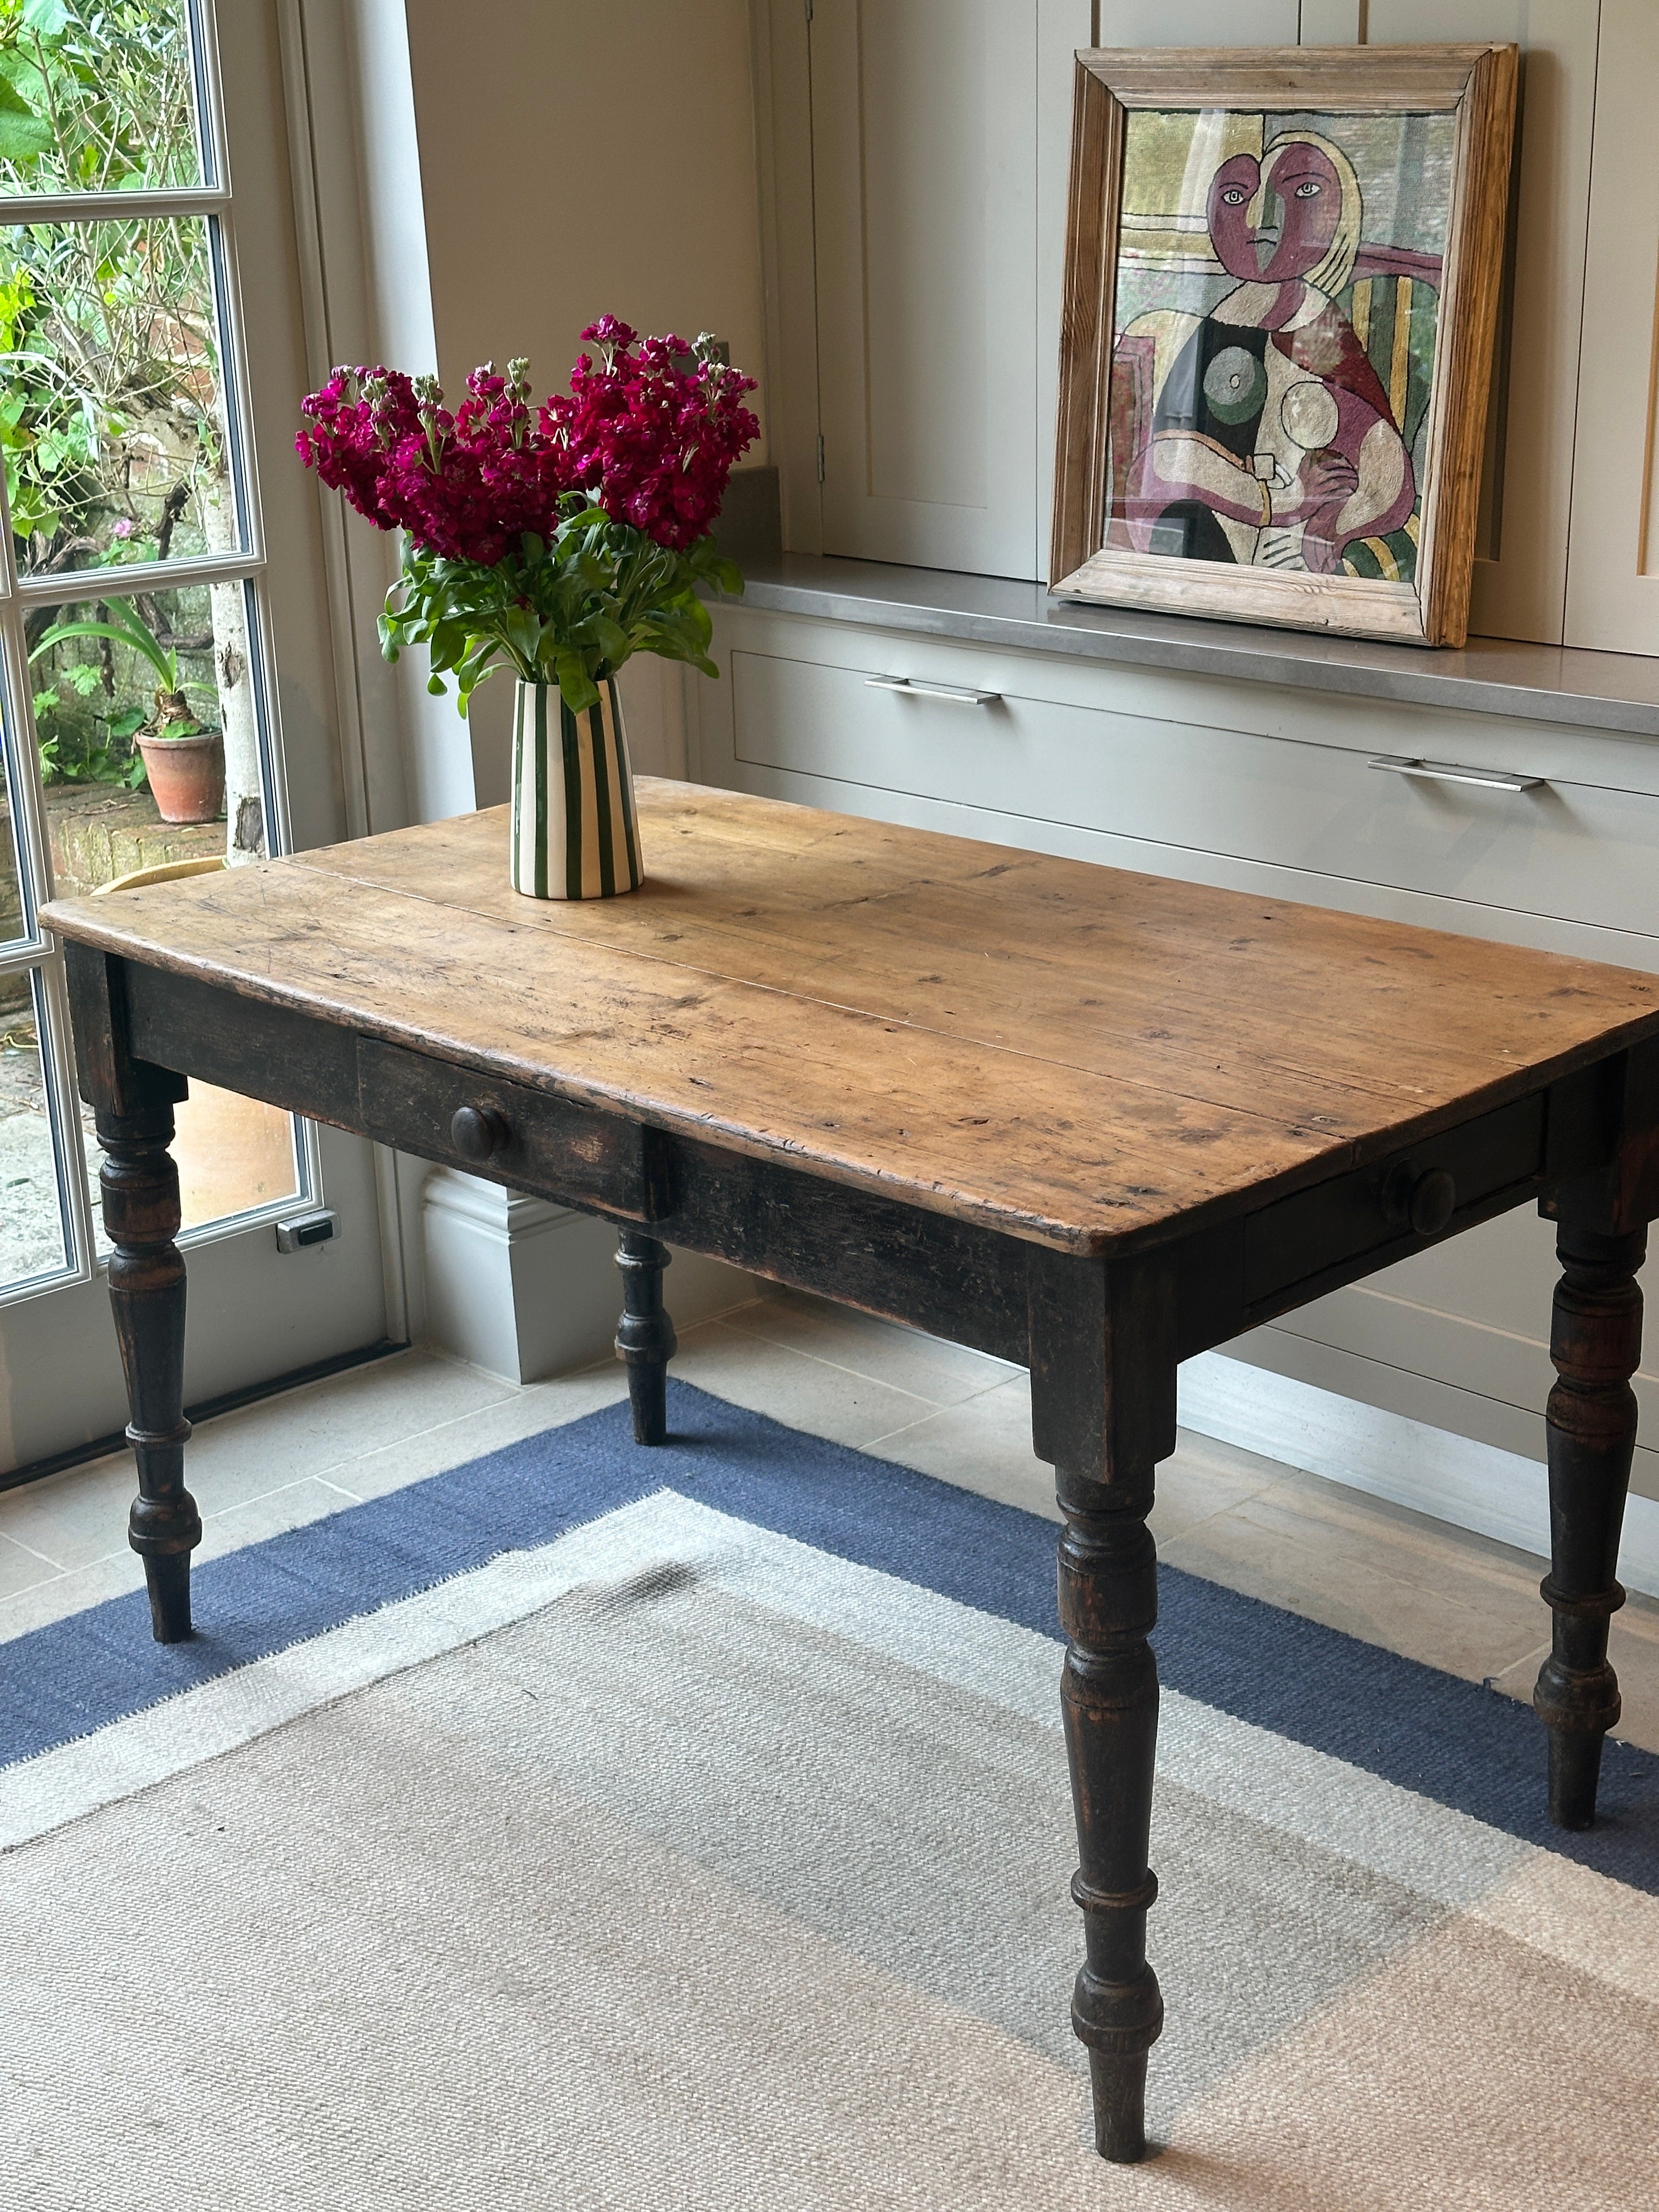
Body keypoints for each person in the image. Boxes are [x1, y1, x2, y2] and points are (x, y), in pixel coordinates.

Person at [1109, 129, 1414, 575]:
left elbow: (1388, 472)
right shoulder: (1190, 330)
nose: (1262, 219)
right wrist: (1283, 501)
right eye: (1235, 197)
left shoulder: (1321, 330)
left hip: (1280, 559)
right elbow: (1150, 471)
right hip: (1191, 546)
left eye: (1303, 192)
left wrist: (1334, 523)